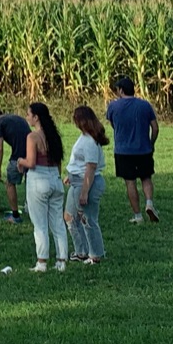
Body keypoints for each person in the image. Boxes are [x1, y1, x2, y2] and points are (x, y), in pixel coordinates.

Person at [20, 102, 70, 272]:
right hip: (54, 178)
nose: (27, 117)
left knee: (39, 223)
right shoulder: (54, 136)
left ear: (36, 117)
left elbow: (31, 162)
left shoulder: (32, 137)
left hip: (38, 179)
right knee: (57, 222)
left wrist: (20, 161)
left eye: (29, 114)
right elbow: (59, 162)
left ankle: (42, 262)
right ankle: (61, 260)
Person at [105, 75, 160, 223]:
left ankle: (137, 215)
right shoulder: (145, 105)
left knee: (130, 182)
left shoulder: (113, 106)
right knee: (146, 177)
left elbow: (112, 123)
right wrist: (151, 143)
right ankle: (149, 203)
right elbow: (155, 127)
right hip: (144, 149)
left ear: (121, 90)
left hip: (123, 151)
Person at [65, 105, 107, 264]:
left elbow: (91, 167)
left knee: (87, 219)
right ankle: (81, 250)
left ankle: (95, 254)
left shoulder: (90, 141)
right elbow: (80, 162)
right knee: (70, 217)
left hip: (86, 183)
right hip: (76, 181)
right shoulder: (84, 137)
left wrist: (84, 192)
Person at [0, 106, 31, 224]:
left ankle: (15, 216)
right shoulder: (15, 118)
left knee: (10, 183)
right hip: (32, 154)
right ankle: (30, 209)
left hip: (19, 158)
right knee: (30, 183)